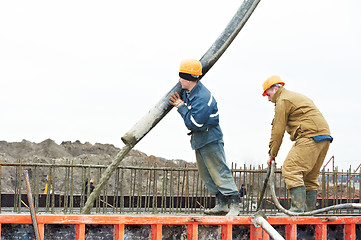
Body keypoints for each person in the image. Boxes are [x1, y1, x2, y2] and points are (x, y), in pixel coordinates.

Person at [169, 59, 240, 216]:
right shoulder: (189, 92)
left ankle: (235, 204)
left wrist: (181, 107)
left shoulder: (202, 96)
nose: (179, 80)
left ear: (188, 78)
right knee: (207, 174)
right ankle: (221, 203)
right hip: (200, 140)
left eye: (181, 76)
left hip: (210, 138)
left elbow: (195, 123)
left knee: (219, 170)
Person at [262, 75, 333, 212]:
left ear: (275, 88)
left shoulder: (283, 100)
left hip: (310, 135)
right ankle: (307, 213)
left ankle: (297, 211)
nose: (268, 98)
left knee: (291, 169)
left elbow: (278, 130)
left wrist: (272, 154)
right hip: (323, 136)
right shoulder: (294, 97)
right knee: (310, 177)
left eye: (268, 93)